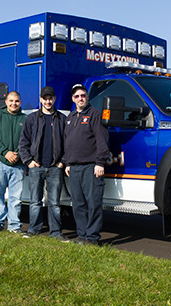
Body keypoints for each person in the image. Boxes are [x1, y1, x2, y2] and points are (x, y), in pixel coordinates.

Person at [18, 86, 68, 241]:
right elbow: (23, 143)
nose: (48, 101)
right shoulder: (31, 119)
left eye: (50, 98)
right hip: (36, 167)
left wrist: (62, 162)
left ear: (54, 99)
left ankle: (56, 232)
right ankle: (33, 229)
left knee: (54, 203)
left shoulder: (62, 119)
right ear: (40, 100)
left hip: (55, 167)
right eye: (45, 98)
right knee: (35, 201)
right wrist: (29, 161)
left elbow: (68, 143)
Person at [64, 83, 109, 245]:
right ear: (73, 99)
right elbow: (67, 142)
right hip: (74, 168)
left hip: (91, 167)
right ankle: (82, 236)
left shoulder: (94, 115)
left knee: (93, 203)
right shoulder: (70, 118)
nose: (80, 98)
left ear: (87, 97)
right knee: (78, 204)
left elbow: (101, 140)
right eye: (77, 96)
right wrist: (68, 163)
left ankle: (93, 238)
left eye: (83, 95)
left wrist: (100, 163)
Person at [0, 91, 26, 234]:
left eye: (16, 101)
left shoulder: (25, 119)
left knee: (16, 197)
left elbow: (30, 141)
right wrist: (6, 153)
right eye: (11, 101)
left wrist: (19, 155)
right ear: (6, 102)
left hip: (18, 164)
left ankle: (14, 226)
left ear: (20, 102)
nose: (13, 103)